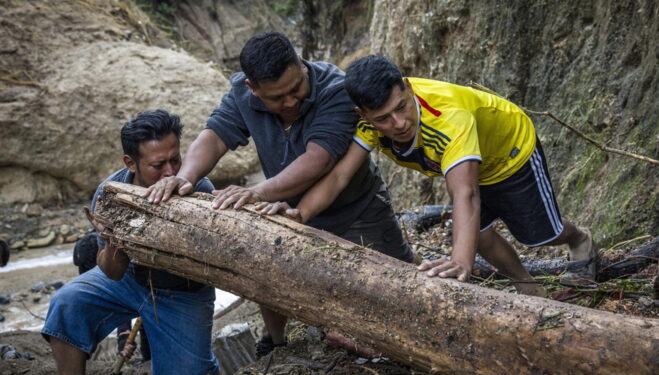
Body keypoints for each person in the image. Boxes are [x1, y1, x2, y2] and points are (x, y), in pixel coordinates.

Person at [143, 32, 416, 357]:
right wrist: (185, 177)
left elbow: (319, 159)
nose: (289, 102)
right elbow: (215, 135)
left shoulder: (336, 90)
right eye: (277, 97)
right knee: (268, 272)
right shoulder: (241, 95)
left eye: (296, 89)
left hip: (357, 208)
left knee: (399, 287)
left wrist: (256, 192)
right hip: (286, 211)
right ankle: (277, 343)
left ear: (301, 65)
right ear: (252, 88)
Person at [269, 55, 597, 296]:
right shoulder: (368, 124)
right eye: (383, 118)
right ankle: (526, 285)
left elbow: (465, 194)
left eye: (401, 107)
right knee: (478, 234)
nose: (397, 124)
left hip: (509, 153)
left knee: (539, 235)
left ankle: (580, 238)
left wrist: (459, 262)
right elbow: (339, 176)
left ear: (408, 88)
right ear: (363, 115)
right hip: (467, 164)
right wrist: (301, 213)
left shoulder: (449, 116)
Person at [42, 110, 219, 374]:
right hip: (128, 281)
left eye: (176, 160)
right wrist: (116, 238)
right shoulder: (110, 192)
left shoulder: (199, 189)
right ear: (131, 163)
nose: (170, 172)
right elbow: (112, 273)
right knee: (67, 304)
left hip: (183, 293)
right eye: (158, 165)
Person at [72, 232, 152, 364]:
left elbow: (120, 293)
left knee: (147, 316)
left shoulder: (118, 254)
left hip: (149, 286)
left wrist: (123, 335)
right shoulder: (85, 249)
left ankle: (148, 359)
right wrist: (124, 336)